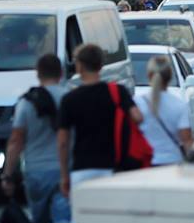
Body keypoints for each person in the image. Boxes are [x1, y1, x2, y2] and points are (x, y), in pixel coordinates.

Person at [2, 54, 73, 223]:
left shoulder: (25, 103)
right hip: (64, 170)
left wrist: (8, 175)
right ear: (61, 73)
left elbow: (16, 140)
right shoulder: (69, 98)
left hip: (35, 172)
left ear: (38, 74)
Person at [58, 44, 143, 203]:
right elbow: (138, 117)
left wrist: (64, 175)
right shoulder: (117, 92)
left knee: (83, 221)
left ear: (79, 66)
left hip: (82, 167)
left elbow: (63, 142)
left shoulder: (70, 99)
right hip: (113, 167)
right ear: (101, 65)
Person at [136, 56, 193, 166]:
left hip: (146, 162)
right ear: (170, 77)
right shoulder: (180, 105)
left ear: (149, 76)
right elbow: (186, 140)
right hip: (172, 163)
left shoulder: (138, 103)